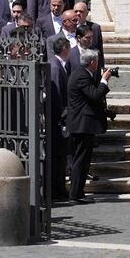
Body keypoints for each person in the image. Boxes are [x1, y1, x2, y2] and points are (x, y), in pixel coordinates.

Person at [66, 48, 111, 203]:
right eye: (96, 61)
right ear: (92, 62)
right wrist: (104, 80)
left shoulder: (84, 73)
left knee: (84, 160)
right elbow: (95, 94)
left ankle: (79, 192)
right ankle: (75, 194)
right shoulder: (81, 76)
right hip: (81, 125)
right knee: (80, 160)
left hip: (84, 124)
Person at [48, 36, 72, 202]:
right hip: (57, 120)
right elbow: (56, 95)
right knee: (57, 157)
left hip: (58, 119)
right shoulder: (56, 67)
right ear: (64, 49)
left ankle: (59, 188)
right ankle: (57, 190)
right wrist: (62, 116)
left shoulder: (57, 64)